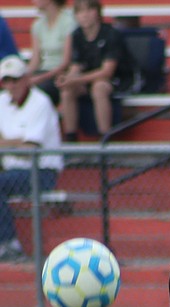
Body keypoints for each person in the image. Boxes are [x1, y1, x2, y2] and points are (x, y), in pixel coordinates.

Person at [0, 55, 63, 262]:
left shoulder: (40, 102)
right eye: (6, 80)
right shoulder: (2, 101)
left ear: (26, 78)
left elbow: (30, 148)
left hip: (42, 171)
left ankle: (10, 243)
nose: (11, 85)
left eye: (15, 79)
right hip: (11, 169)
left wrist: (6, 143)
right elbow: (22, 145)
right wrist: (15, 142)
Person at [57, 0, 137, 140]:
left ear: (97, 12)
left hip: (119, 79)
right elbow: (76, 65)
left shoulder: (111, 34)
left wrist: (76, 79)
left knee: (99, 87)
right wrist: (68, 79)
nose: (85, 15)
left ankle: (104, 137)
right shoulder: (76, 35)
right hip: (89, 79)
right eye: (80, 11)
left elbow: (107, 72)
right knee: (67, 91)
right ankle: (71, 138)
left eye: (89, 10)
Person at [27, 0, 76, 106]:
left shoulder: (68, 21)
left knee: (39, 90)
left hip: (61, 74)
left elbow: (66, 62)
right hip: (43, 72)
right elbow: (35, 60)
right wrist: (22, 77)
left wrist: (40, 78)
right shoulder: (37, 25)